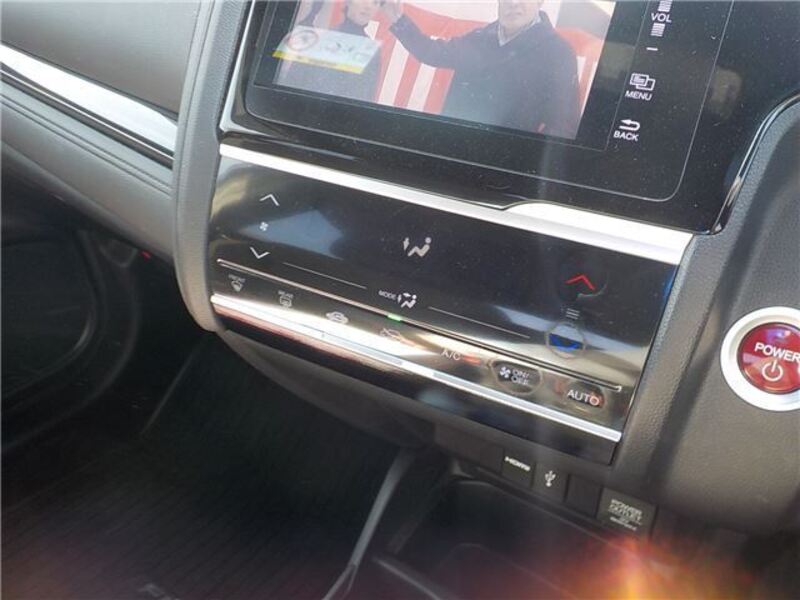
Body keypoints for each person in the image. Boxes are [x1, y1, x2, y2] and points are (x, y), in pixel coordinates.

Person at [382, 0, 580, 138]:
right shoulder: (480, 37)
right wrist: (398, 19)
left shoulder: (558, 53)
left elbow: (562, 127)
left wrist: (523, 164)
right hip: (452, 150)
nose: (513, 3)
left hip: (501, 169)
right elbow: (432, 52)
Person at [278, 0, 382, 103]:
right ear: (348, 2)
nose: (368, 6)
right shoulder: (322, 39)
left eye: (376, 2)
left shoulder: (372, 51)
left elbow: (366, 97)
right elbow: (293, 82)